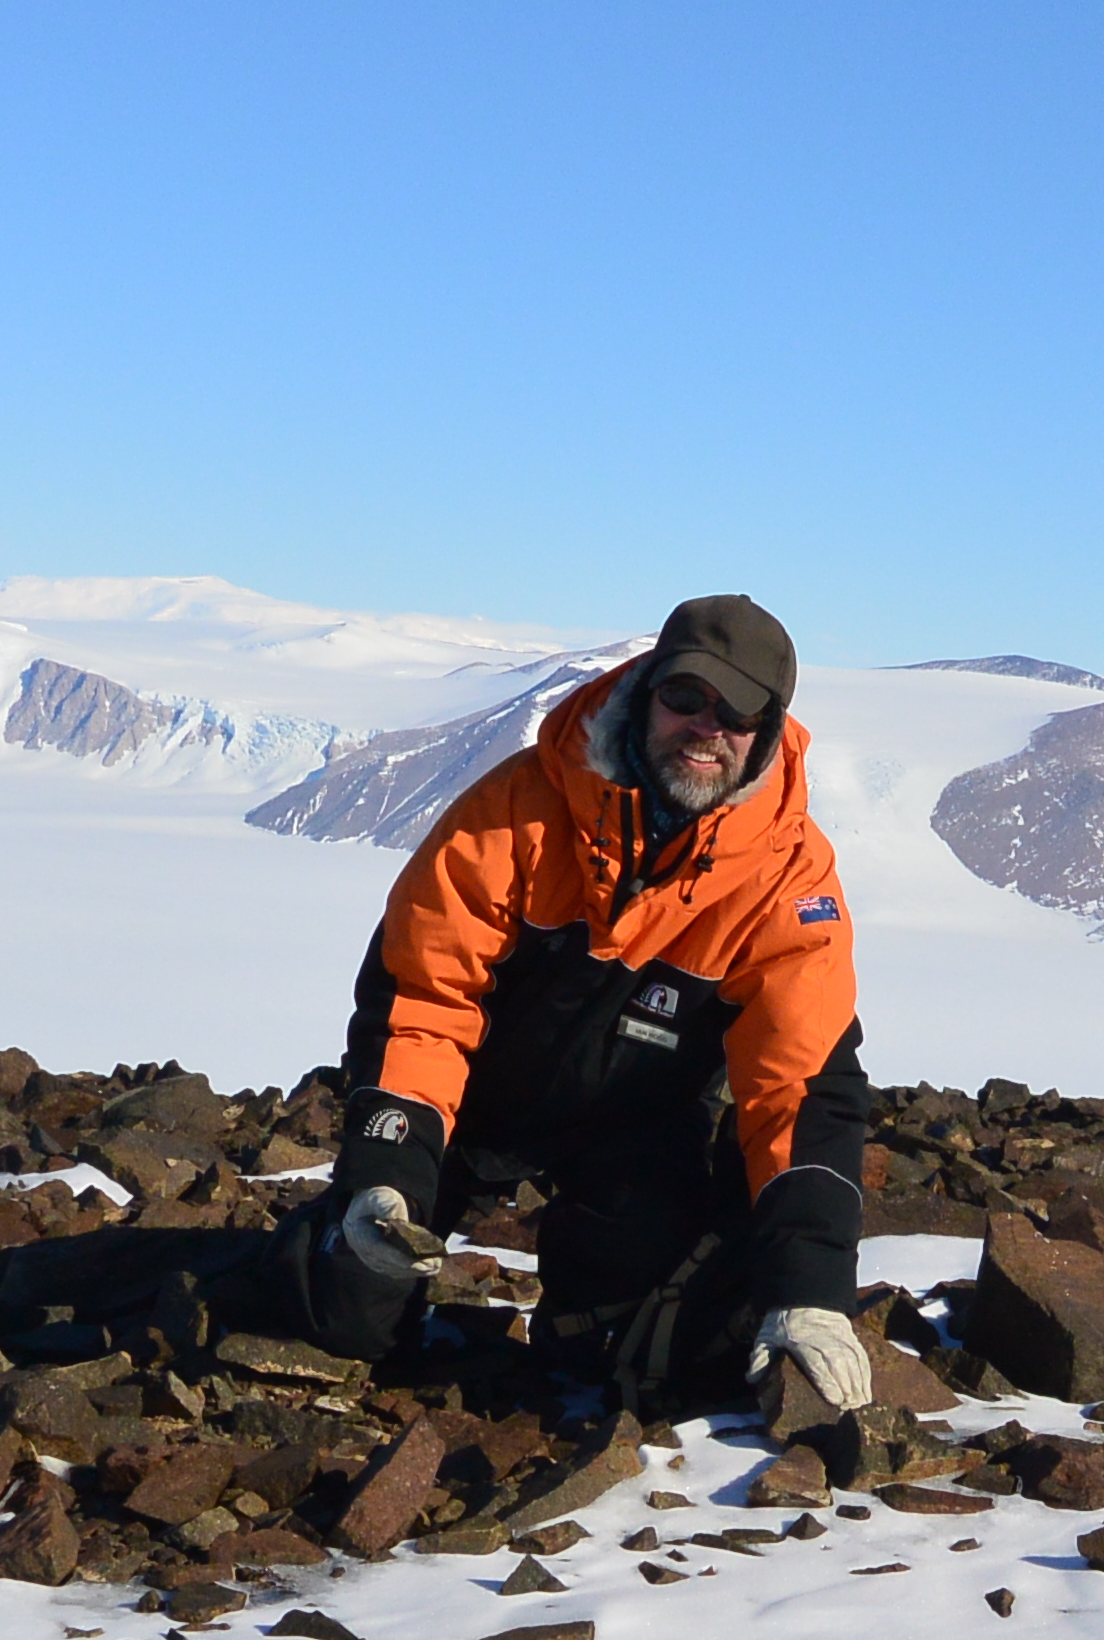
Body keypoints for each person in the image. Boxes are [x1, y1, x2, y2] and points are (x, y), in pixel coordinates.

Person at [275, 593, 874, 1415]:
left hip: (633, 1129)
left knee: (630, 1357)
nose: (708, 727)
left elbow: (801, 1088)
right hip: (467, 1106)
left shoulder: (785, 877)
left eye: (737, 713)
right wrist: (388, 1173)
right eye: (686, 698)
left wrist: (813, 1294)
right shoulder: (515, 813)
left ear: (768, 733)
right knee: (343, 1311)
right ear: (646, 693)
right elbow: (421, 998)